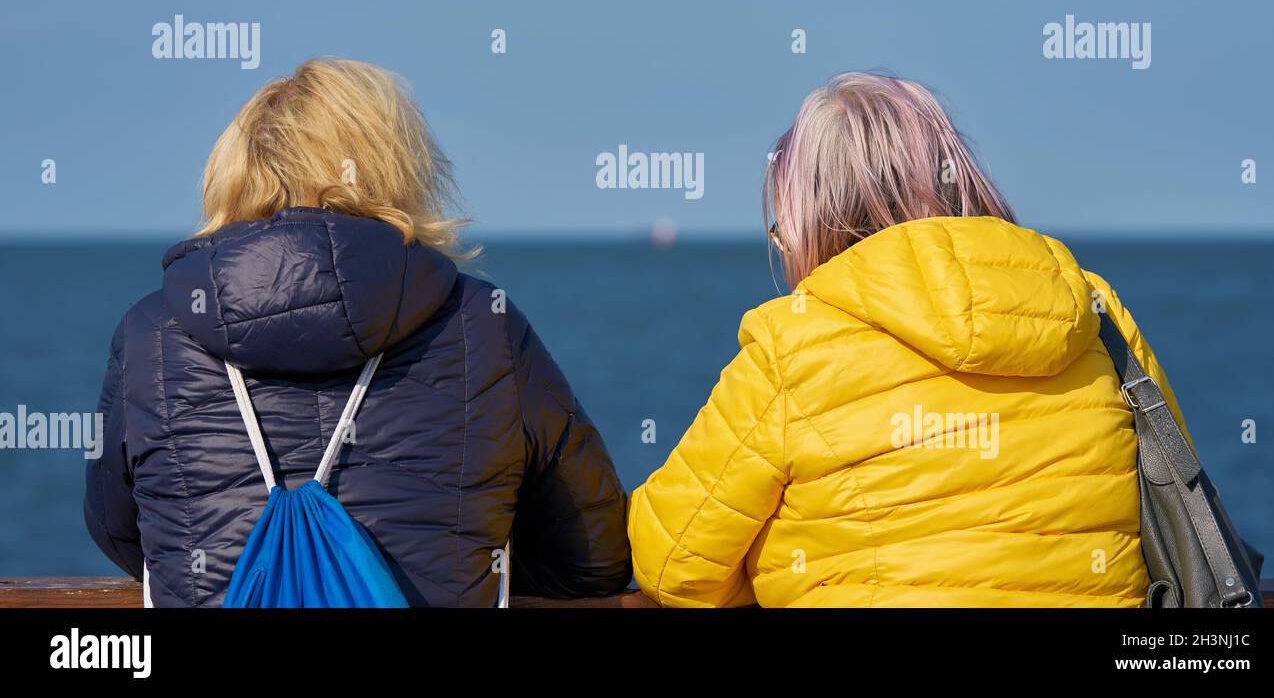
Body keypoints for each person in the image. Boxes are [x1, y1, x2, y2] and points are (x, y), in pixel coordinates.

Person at [627, 72, 1192, 607]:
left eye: (783, 233)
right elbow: (1179, 499)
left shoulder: (792, 347)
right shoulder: (1094, 312)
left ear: (819, 220)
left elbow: (672, 561)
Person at [84, 57, 632, 606]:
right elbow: (593, 554)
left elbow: (121, 530)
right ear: (397, 168)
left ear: (232, 175)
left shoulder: (151, 335)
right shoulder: (482, 323)